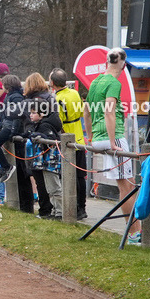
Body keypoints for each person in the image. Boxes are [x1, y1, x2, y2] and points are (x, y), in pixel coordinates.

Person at [82, 48, 142, 241]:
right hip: (112, 137)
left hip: (99, 138)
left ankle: (133, 229)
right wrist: (113, 142)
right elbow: (109, 112)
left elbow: (86, 112)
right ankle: (134, 233)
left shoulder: (95, 82)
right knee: (128, 186)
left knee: (124, 185)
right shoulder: (114, 83)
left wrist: (91, 137)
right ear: (123, 64)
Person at [23, 73, 61, 218]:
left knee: (51, 187)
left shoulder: (45, 123)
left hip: (47, 161)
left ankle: (57, 212)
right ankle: (48, 210)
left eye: (33, 113)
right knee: (44, 185)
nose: (30, 115)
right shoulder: (49, 98)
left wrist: (38, 136)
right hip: (41, 160)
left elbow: (49, 137)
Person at [51, 69, 87, 220]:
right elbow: (80, 113)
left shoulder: (57, 98)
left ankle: (73, 207)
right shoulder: (74, 93)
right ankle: (82, 207)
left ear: (52, 83)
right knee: (80, 176)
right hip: (79, 137)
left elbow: (59, 121)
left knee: (68, 176)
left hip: (67, 140)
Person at [0, 75, 25, 189]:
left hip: (10, 128)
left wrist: (13, 132)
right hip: (7, 126)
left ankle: (6, 167)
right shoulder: (9, 96)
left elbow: (17, 116)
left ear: (7, 85)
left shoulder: (16, 97)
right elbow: (6, 117)